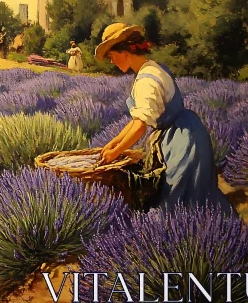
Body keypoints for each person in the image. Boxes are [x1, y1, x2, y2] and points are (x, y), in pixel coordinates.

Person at [95, 23, 234, 215]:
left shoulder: (147, 81)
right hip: (187, 131)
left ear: (126, 52)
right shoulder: (152, 68)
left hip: (182, 142)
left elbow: (140, 127)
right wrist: (112, 144)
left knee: (177, 197)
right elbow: (136, 120)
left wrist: (116, 152)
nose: (112, 62)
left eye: (112, 56)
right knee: (192, 196)